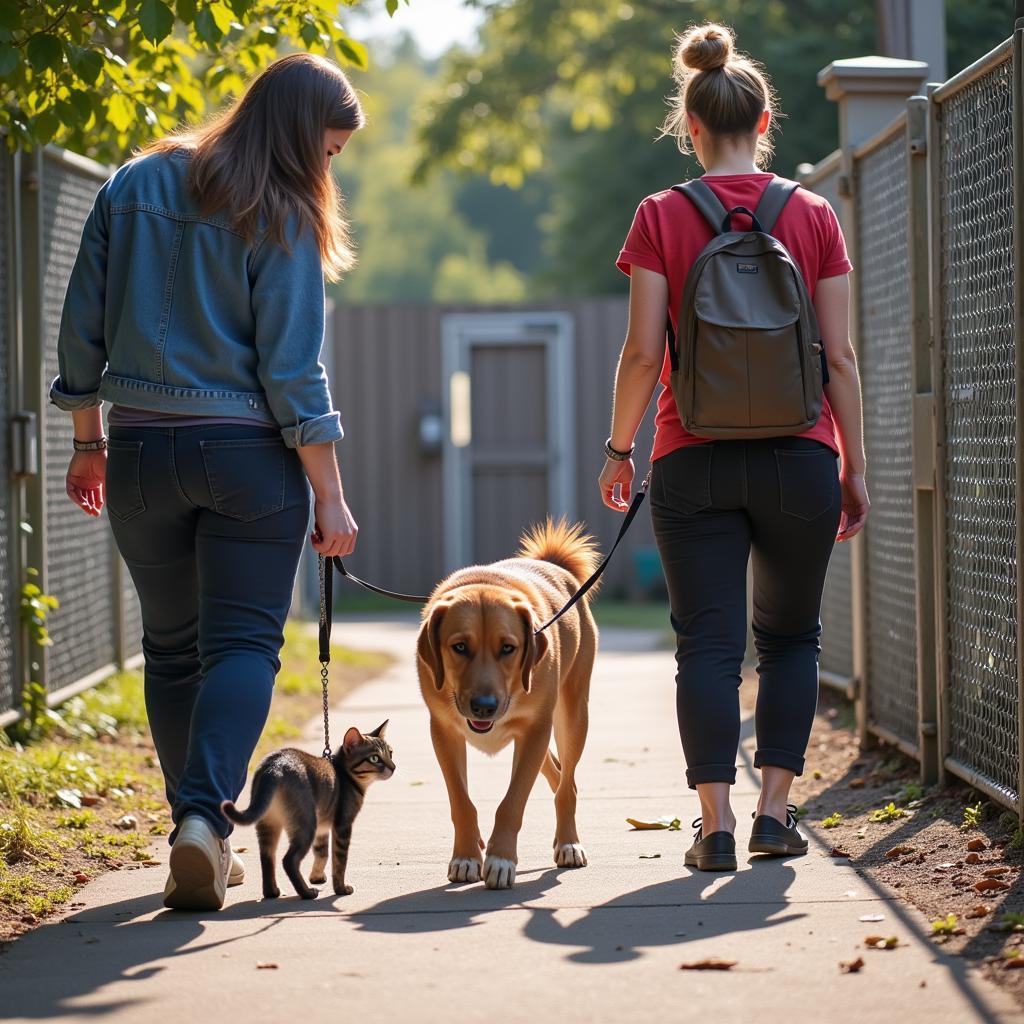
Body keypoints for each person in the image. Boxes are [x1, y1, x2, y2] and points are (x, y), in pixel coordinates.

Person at [50, 53, 362, 910]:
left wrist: (87, 441)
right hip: (248, 458)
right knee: (244, 649)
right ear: (302, 136)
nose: (329, 169)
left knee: (171, 649)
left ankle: (196, 828)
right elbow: (294, 371)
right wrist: (330, 495)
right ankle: (202, 820)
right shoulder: (285, 209)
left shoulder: (134, 182)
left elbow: (79, 327)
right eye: (329, 151)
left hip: (141, 456)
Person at [599, 23, 869, 871]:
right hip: (800, 457)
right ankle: (774, 816)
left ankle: (713, 825)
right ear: (764, 124)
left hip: (692, 456)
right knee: (791, 640)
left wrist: (618, 449)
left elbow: (644, 352)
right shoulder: (814, 213)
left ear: (690, 126)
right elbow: (840, 357)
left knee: (708, 645)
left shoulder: (660, 216)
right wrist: (853, 465)